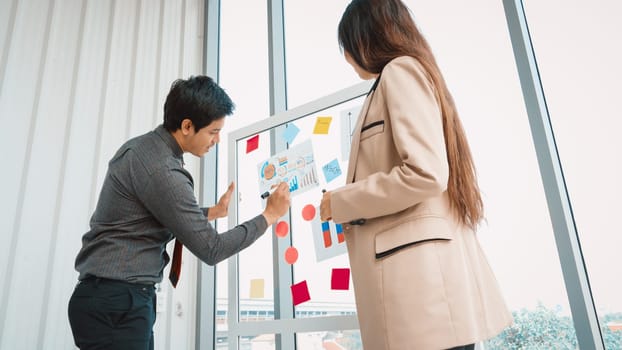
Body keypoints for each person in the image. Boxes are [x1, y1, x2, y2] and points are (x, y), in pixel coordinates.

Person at [319, 1, 513, 349]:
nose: (347, 56)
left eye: (347, 44)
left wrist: (340, 201)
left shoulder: (400, 71)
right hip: (426, 293)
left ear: (367, 37)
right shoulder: (400, 77)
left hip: (421, 294)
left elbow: (425, 173)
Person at [67, 76, 291, 350]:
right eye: (213, 131)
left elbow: (155, 212)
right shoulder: (163, 169)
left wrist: (213, 211)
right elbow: (212, 249)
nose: (217, 140)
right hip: (118, 302)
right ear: (187, 126)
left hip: (111, 298)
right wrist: (269, 216)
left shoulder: (145, 149)